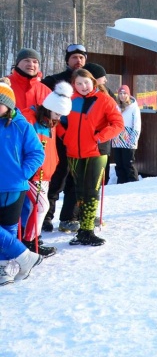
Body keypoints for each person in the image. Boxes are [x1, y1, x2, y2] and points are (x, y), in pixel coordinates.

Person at [61, 68, 123, 246]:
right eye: (79, 83)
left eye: (86, 82)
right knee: (79, 191)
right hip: (74, 152)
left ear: (93, 82)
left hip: (96, 152)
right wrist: (65, 137)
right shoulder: (69, 100)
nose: (83, 86)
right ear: (74, 84)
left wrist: (100, 137)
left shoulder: (104, 99)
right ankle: (83, 230)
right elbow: (58, 122)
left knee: (91, 191)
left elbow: (118, 123)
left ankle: (88, 230)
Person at [0, 79, 45, 285]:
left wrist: (22, 174)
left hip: (13, 186)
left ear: (8, 104)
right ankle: (26, 257)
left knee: (8, 229)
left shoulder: (21, 125)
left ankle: (4, 270)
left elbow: (37, 153)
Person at [21, 81, 72, 257]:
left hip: (45, 173)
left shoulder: (50, 122)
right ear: (49, 107)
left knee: (39, 208)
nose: (59, 117)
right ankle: (29, 242)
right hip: (32, 173)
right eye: (57, 113)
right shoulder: (29, 118)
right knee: (42, 206)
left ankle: (33, 240)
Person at [41, 43, 87, 233]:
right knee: (56, 177)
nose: (78, 61)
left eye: (81, 57)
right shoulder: (54, 81)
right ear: (67, 60)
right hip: (57, 138)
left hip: (80, 139)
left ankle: (70, 217)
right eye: (74, 57)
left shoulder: (87, 81)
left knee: (76, 180)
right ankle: (45, 216)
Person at [9, 47, 50, 121]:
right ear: (17, 64)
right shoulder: (5, 86)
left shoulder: (46, 91)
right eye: (26, 60)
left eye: (35, 62)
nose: (31, 64)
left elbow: (55, 120)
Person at [112, 85, 141, 183]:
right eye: (120, 93)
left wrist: (133, 139)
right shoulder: (116, 107)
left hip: (128, 139)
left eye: (125, 93)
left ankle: (132, 183)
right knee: (119, 164)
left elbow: (136, 124)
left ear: (128, 94)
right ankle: (121, 183)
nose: (122, 96)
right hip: (117, 139)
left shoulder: (133, 107)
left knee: (128, 164)